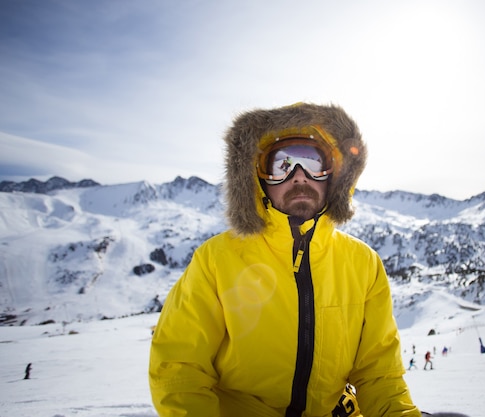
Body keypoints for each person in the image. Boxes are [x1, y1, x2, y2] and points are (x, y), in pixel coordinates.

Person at [149, 103, 422, 416]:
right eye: (283, 166)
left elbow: (379, 376)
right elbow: (179, 370)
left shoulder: (363, 264)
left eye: (312, 164)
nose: (299, 177)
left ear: (333, 176)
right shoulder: (217, 260)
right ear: (259, 179)